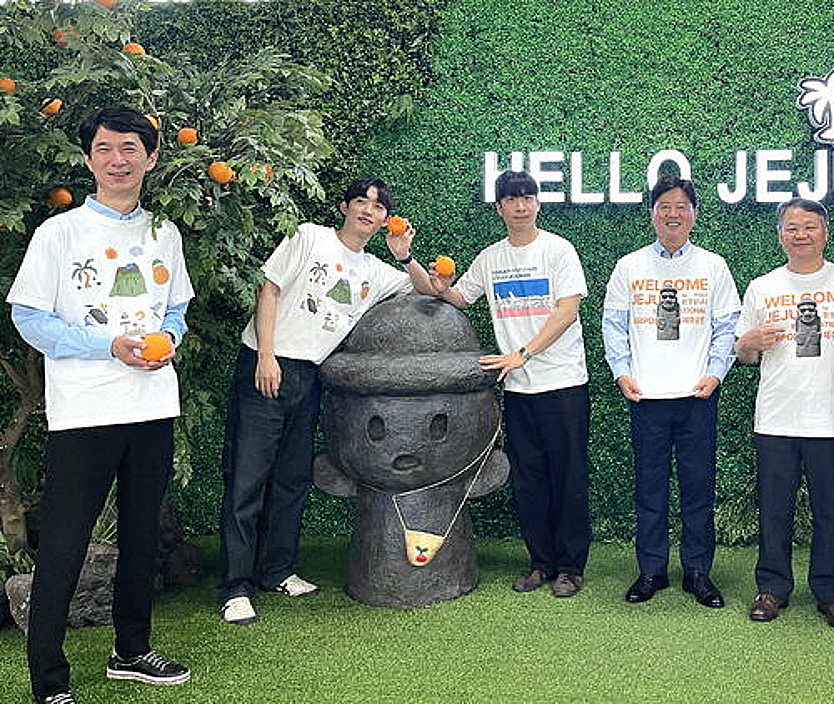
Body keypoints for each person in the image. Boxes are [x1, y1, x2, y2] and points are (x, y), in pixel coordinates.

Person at [8, 106, 194, 703]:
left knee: (142, 535)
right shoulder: (57, 234)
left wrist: (171, 342)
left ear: (152, 156)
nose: (119, 159)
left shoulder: (165, 232)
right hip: (84, 413)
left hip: (152, 407)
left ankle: (131, 651)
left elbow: (176, 310)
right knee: (64, 543)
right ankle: (48, 681)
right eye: (107, 148)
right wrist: (108, 345)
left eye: (131, 148)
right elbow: (29, 317)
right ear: (89, 159)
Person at [217, 178, 435, 625]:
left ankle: (277, 570)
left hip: (311, 375)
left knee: (293, 479)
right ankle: (235, 587)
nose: (368, 211)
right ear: (344, 207)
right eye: (361, 202)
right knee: (247, 479)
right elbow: (270, 289)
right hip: (267, 364)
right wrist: (266, 354)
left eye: (377, 207)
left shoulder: (375, 270)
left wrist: (403, 254)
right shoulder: (308, 235)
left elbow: (427, 290)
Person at [429, 169, 591, 598]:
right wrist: (439, 286)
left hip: (563, 383)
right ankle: (541, 563)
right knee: (529, 480)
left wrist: (524, 353)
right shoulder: (490, 258)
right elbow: (461, 297)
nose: (521, 205)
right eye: (511, 199)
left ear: (537, 203)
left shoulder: (559, 250)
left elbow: (567, 310)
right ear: (499, 207)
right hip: (519, 389)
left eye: (528, 197)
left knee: (569, 477)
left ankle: (571, 568)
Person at [734, 197, 834, 630]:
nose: (801, 234)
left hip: (833, 418)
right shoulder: (762, 287)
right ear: (780, 235)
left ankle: (832, 593)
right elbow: (743, 356)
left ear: (825, 233)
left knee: (830, 510)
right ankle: (772, 588)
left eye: (809, 227)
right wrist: (750, 340)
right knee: (774, 508)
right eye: (792, 227)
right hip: (776, 417)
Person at [602, 175, 741, 608]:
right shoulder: (630, 266)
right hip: (646, 396)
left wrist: (716, 374)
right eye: (665, 206)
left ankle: (698, 571)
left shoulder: (713, 266)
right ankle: (651, 571)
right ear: (652, 214)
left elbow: (727, 328)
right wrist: (621, 373)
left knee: (698, 488)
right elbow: (613, 325)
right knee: (650, 489)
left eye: (682, 206)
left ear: (695, 214)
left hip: (698, 396)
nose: (673, 213)